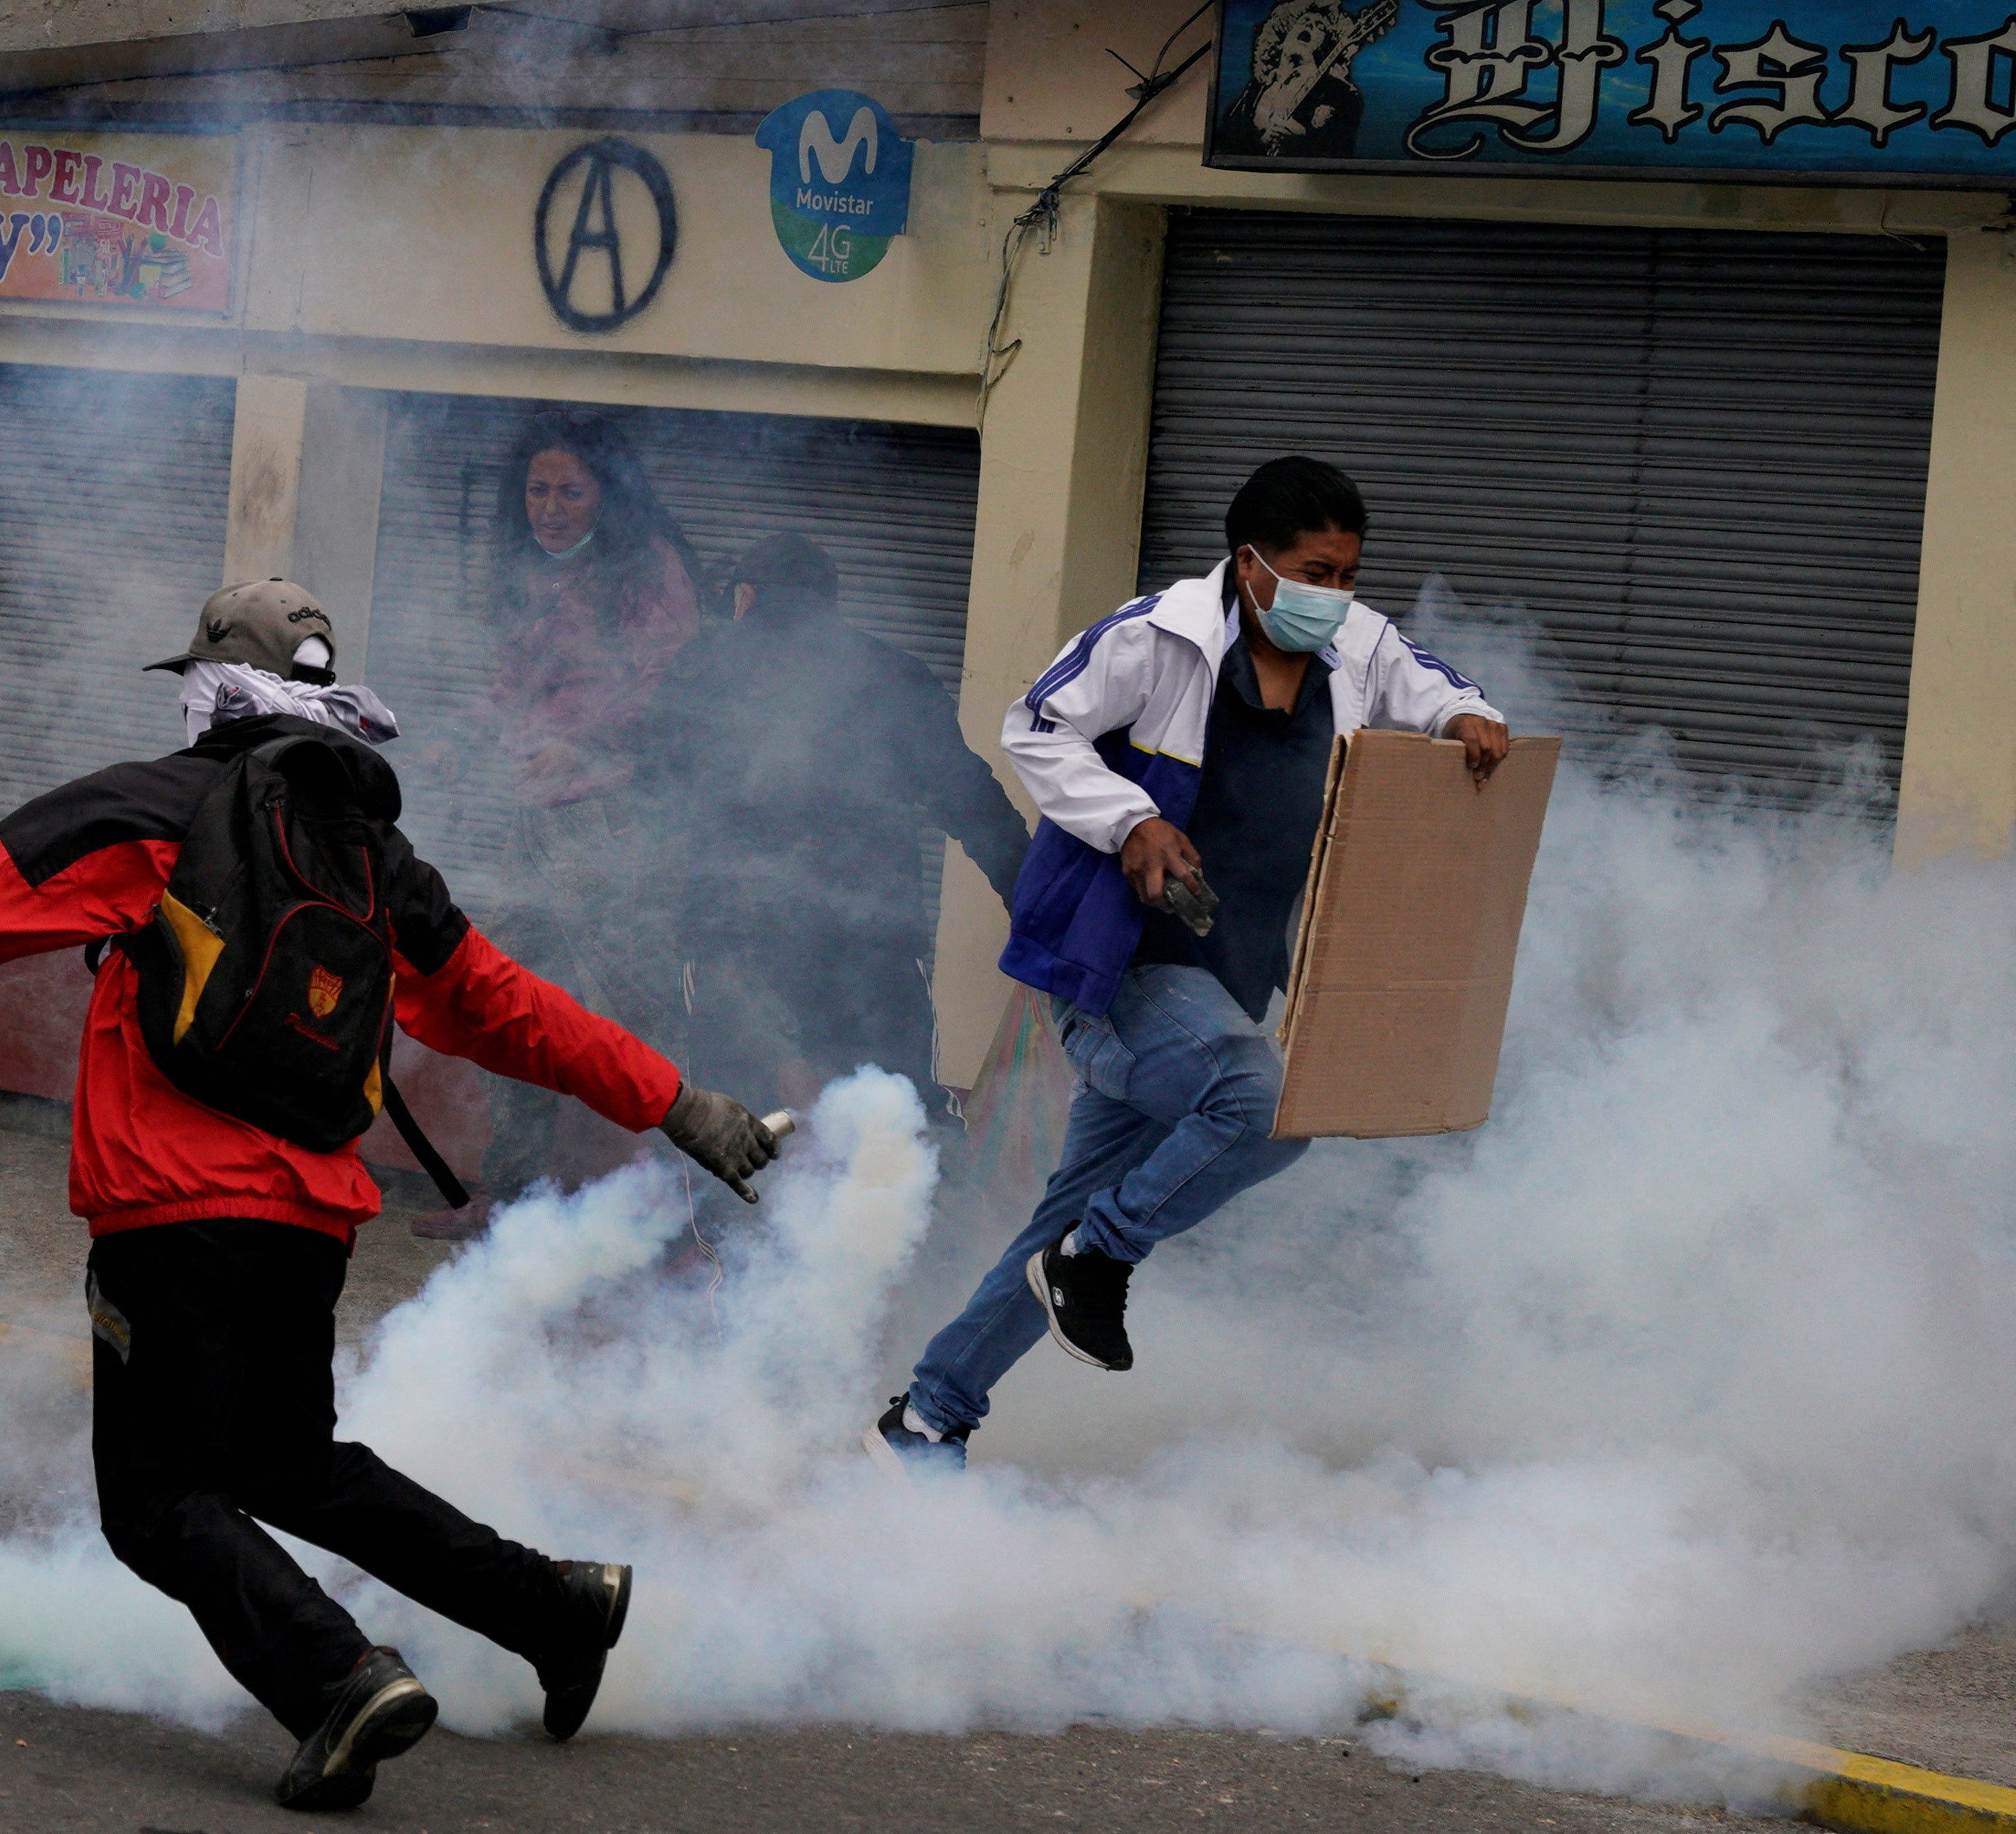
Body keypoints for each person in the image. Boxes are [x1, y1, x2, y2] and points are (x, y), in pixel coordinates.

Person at [0, 577, 785, 1812]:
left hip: (172, 1210)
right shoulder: (373, 853)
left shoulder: (150, 806)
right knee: (290, 1460)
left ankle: (338, 1680)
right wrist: (682, 1103)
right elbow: (509, 1005)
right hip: (310, 1212)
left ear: (209, 684)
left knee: (156, 1497)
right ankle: (554, 1606)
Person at [872, 456, 1508, 1474]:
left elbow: (1434, 688)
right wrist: (1130, 820)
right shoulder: (1153, 639)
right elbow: (1031, 726)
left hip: (1217, 984)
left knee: (1056, 1227)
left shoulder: (1354, 644)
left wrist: (1465, 722)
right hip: (1116, 966)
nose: (1332, 596)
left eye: (1346, 573)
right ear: (1249, 565)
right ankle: (1099, 1256)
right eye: (1314, 571)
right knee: (1260, 1102)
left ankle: (925, 1417)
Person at [429, 409, 704, 1234]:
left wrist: (577, 749)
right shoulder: (527, 567)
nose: (548, 507)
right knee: (502, 1002)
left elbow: (669, 690)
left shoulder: (646, 569)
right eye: (536, 489)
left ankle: (677, 1216)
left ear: (606, 495)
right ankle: (509, 1195)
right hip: (530, 824)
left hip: (615, 826)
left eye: (569, 491)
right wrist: (460, 734)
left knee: (635, 1015)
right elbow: (515, 678)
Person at [639, 533, 1031, 1110]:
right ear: (830, 601)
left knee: (731, 1122)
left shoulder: (698, 669)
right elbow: (968, 797)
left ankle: (738, 1202)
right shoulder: (897, 675)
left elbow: (658, 797)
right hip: (873, 946)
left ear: (745, 597)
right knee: (894, 1122)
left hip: (734, 942)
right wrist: (1033, 901)